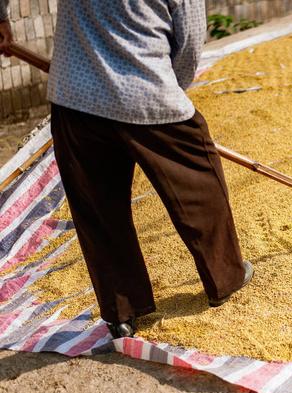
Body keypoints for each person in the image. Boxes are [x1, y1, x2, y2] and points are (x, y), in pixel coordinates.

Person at [0, 1, 253, 338]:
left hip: (76, 98)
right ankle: (225, 277)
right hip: (145, 91)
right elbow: (190, 42)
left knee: (99, 209)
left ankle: (123, 312)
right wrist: (166, 88)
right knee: (200, 182)